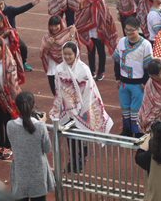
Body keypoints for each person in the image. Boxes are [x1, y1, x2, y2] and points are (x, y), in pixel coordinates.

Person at [49, 42, 113, 171]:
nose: (67, 57)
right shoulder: (59, 69)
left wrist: (80, 109)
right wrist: (63, 107)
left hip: (82, 108)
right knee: (69, 135)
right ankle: (72, 159)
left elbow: (89, 90)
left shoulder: (83, 69)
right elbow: (58, 89)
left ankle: (81, 159)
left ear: (76, 54)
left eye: (69, 54)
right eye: (65, 54)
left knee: (81, 133)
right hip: (67, 109)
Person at [7, 92, 55, 201]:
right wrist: (42, 123)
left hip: (20, 173)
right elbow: (47, 148)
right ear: (33, 106)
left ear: (16, 107)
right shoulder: (40, 126)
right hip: (38, 174)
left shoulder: (10, 125)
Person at [112, 16, 153, 137]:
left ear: (138, 29)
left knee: (136, 110)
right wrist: (117, 78)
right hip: (124, 83)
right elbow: (117, 61)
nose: (129, 32)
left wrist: (145, 81)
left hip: (138, 84)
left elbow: (148, 65)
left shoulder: (145, 44)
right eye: (127, 30)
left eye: (132, 30)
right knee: (125, 109)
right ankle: (127, 130)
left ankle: (138, 131)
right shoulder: (122, 42)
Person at [75, 0, 118, 81]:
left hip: (99, 32)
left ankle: (101, 72)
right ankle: (92, 71)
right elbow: (79, 16)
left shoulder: (101, 1)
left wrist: (100, 31)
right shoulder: (83, 2)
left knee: (101, 52)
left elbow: (105, 17)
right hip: (88, 31)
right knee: (90, 51)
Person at [0, 0, 40, 72]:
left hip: (11, 35)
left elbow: (21, 9)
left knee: (23, 47)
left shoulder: (9, 10)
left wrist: (32, 4)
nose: (0, 6)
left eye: (2, 3)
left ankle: (23, 63)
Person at [40, 15, 77, 95]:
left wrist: (73, 34)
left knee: (68, 96)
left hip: (66, 71)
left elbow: (73, 49)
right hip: (52, 72)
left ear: (61, 25)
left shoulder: (67, 36)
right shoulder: (46, 38)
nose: (53, 28)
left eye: (56, 25)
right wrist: (47, 45)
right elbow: (42, 55)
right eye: (51, 25)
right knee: (56, 96)